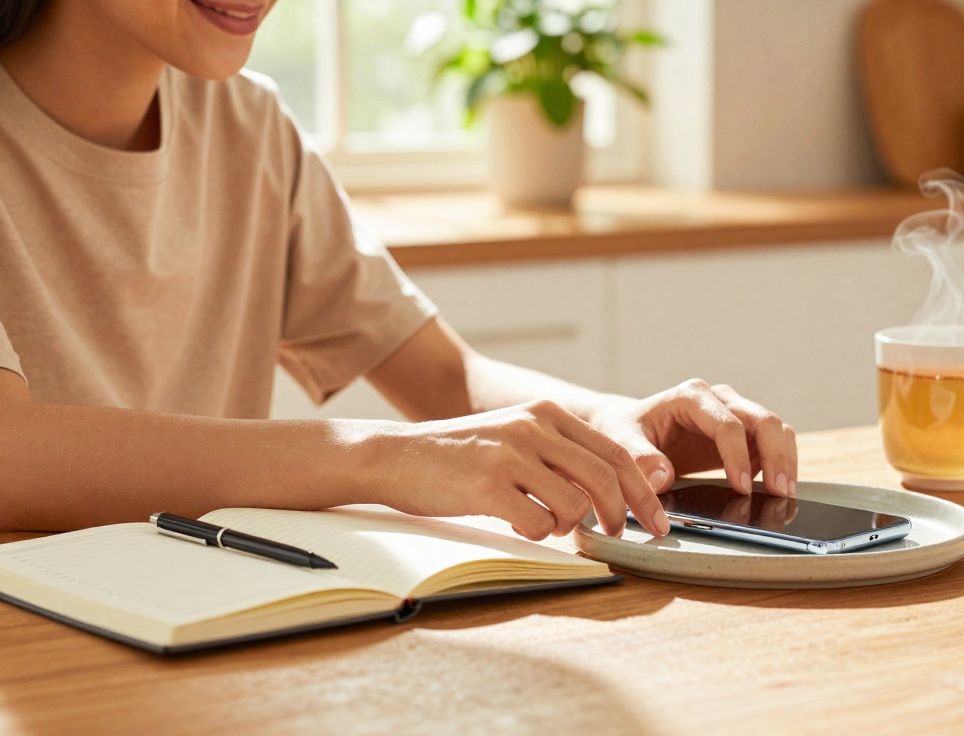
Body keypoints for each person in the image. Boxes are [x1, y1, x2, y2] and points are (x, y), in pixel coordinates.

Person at [0, 0, 797, 540]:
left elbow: (446, 380)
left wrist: (617, 428)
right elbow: (12, 450)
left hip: (192, 630)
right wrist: (382, 458)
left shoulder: (247, 128)